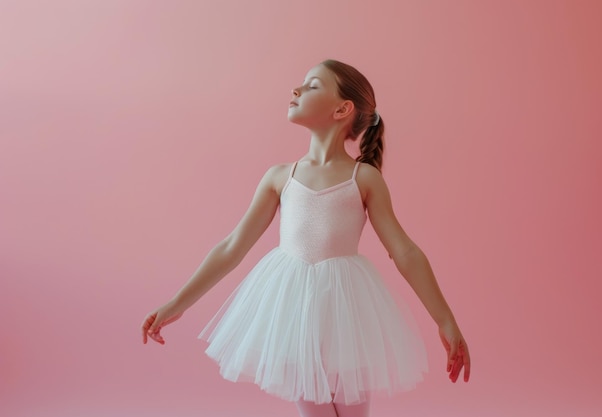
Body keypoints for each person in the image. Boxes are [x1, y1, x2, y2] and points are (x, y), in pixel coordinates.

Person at [141, 59, 470, 417]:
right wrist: (176, 304)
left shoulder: (364, 178)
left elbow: (404, 250)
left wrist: (445, 319)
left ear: (343, 109)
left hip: (347, 311)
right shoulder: (279, 177)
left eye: (312, 85)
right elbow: (232, 248)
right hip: (293, 313)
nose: (296, 90)